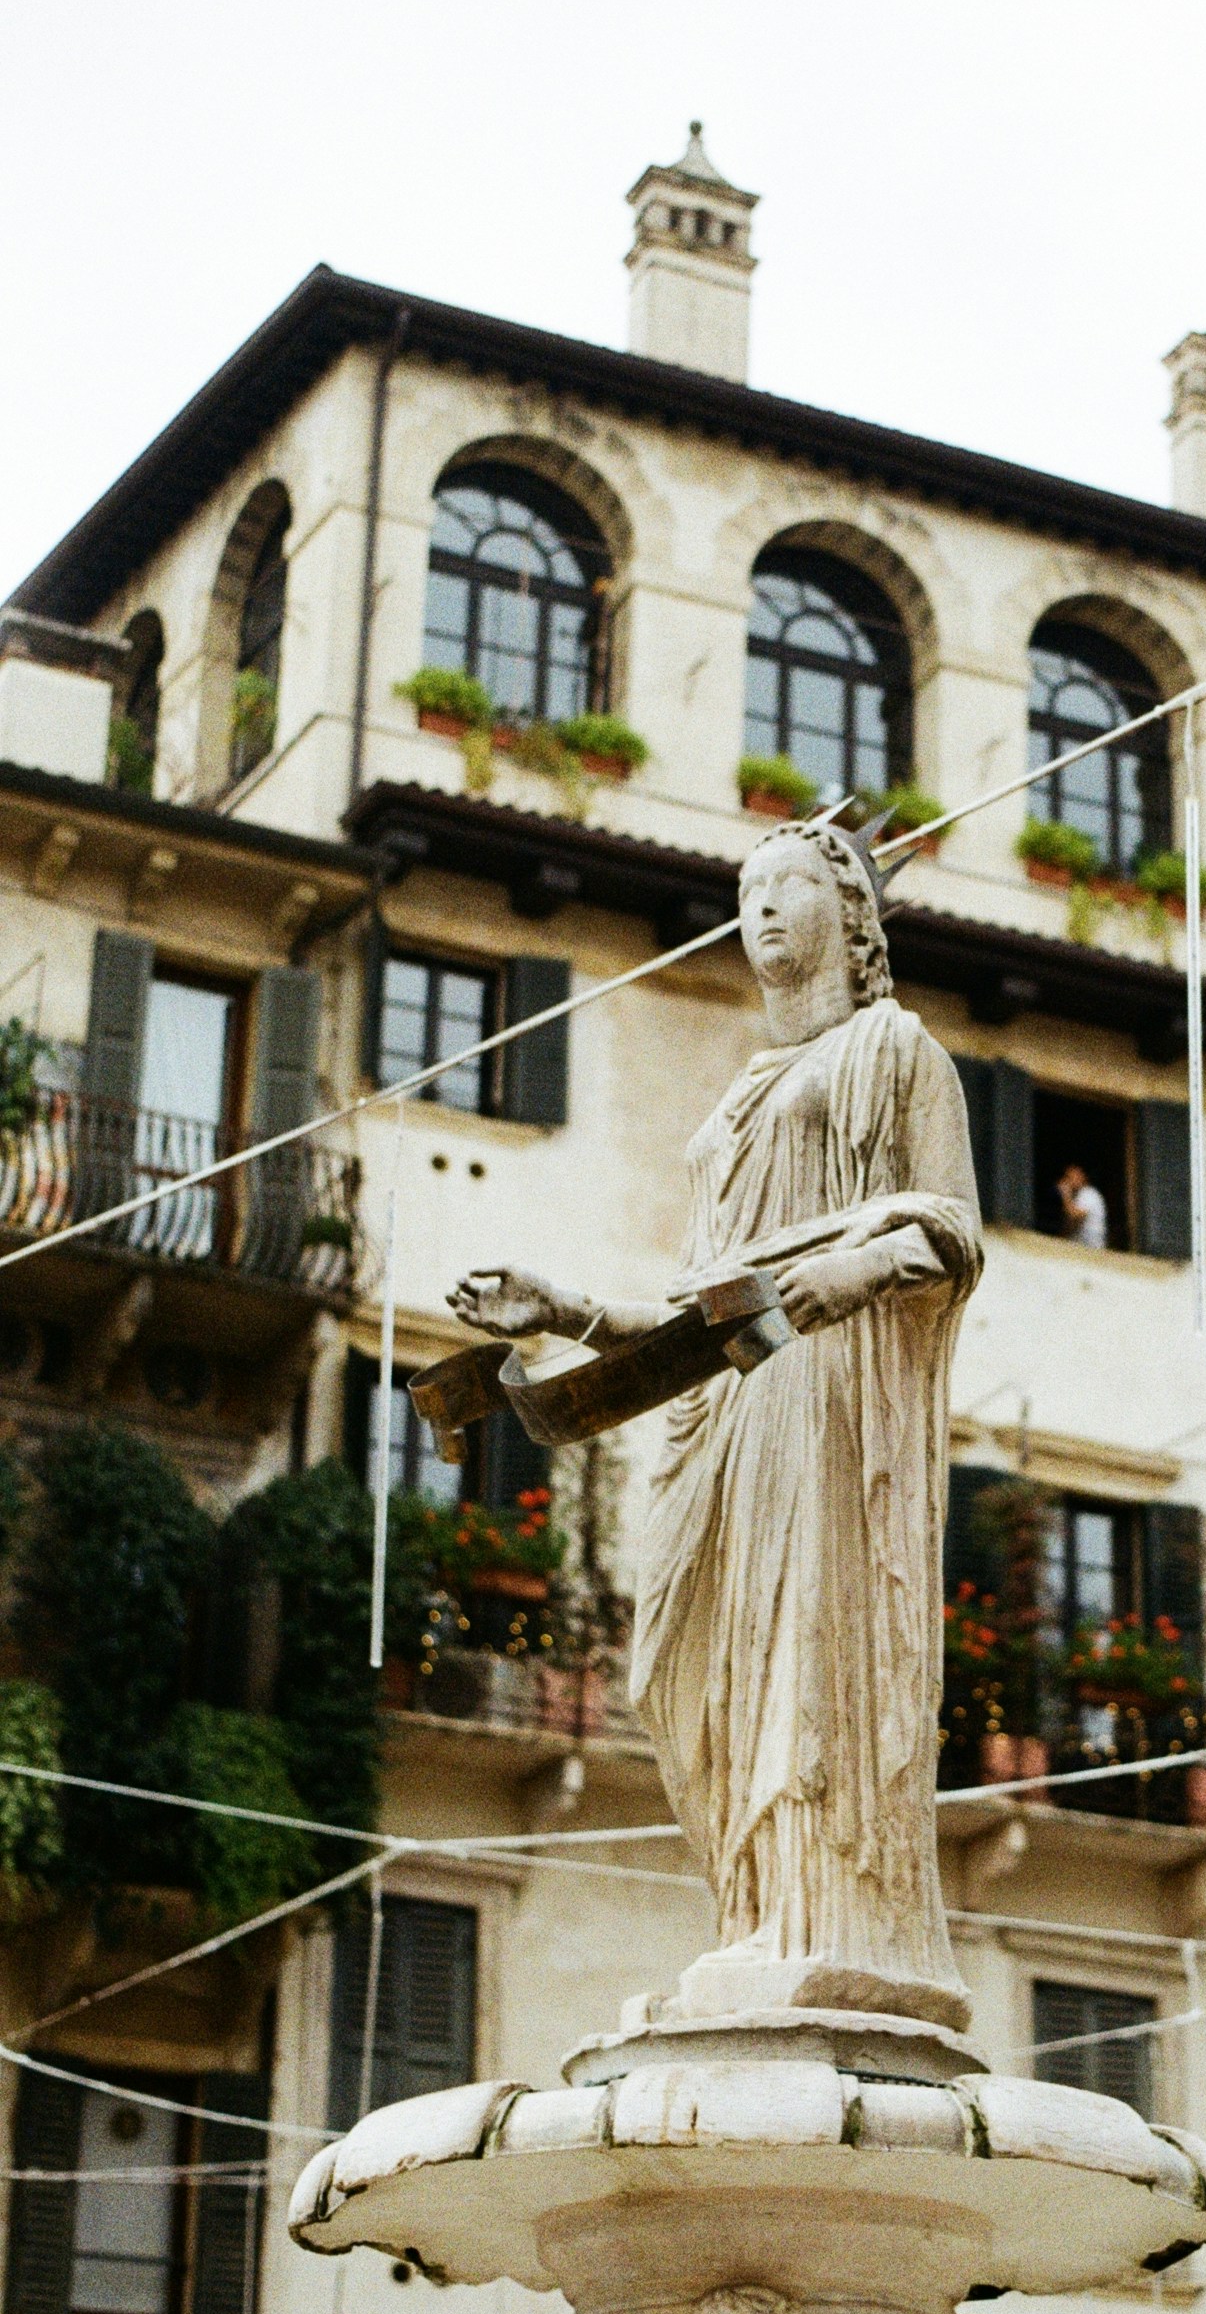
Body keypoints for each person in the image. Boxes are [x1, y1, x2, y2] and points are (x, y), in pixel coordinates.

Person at [448, 820, 981, 2034]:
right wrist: (567, 1308)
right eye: (745, 893)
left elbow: (952, 1226)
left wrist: (858, 1271)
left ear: (847, 911)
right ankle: (755, 1917)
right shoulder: (740, 1091)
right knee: (688, 1670)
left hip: (831, 1396)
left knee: (808, 1648)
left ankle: (834, 1924)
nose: (760, 911)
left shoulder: (896, 1049)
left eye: (785, 885)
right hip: (728, 1403)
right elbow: (698, 1309)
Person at [1057, 1161, 1108, 1249]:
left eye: (1072, 1177)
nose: (1069, 1181)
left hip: (1091, 1248)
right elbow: (1070, 1226)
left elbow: (1074, 1215)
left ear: (1082, 1177)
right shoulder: (1077, 1197)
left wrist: (1065, 1194)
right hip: (1079, 1246)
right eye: (1067, 1178)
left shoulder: (1088, 1193)